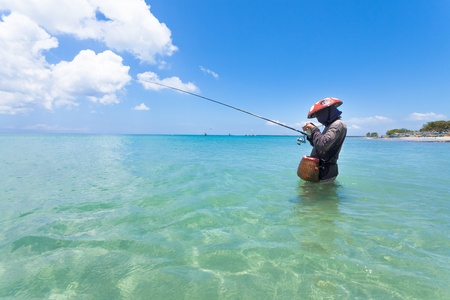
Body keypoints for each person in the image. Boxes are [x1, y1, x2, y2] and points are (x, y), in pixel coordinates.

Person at [301, 97, 347, 182]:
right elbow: (317, 144)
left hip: (325, 171)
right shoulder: (330, 126)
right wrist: (310, 134)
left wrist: (314, 129)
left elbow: (323, 145)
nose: (318, 119)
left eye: (319, 115)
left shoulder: (337, 124)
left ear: (327, 111)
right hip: (320, 170)